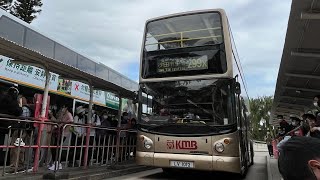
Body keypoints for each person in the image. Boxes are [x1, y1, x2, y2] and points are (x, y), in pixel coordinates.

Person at [48, 106, 73, 171]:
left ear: (66, 108)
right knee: (55, 147)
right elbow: (59, 121)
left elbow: (71, 121)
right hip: (59, 132)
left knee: (56, 147)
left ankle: (57, 163)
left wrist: (63, 125)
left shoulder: (68, 114)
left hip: (64, 133)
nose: (62, 109)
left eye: (63, 108)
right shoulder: (63, 114)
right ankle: (56, 163)